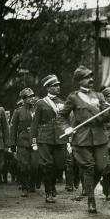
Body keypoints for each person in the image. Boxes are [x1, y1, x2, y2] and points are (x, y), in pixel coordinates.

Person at [58, 66, 110, 213]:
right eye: (86, 77)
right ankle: (91, 199)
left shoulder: (99, 96)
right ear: (79, 80)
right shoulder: (73, 97)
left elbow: (104, 117)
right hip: (82, 138)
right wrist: (66, 128)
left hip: (99, 137)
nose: (90, 80)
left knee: (102, 167)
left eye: (91, 77)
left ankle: (90, 189)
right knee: (89, 168)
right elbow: (61, 116)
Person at [31, 74, 69, 204]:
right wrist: (34, 141)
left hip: (60, 138)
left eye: (58, 85)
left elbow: (66, 121)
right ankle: (49, 191)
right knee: (47, 166)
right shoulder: (41, 103)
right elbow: (34, 124)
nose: (58, 87)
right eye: (54, 86)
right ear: (48, 88)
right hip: (45, 138)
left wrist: (69, 139)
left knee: (60, 165)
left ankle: (52, 185)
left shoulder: (63, 102)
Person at [9, 88, 39, 197]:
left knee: (35, 165)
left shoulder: (37, 109)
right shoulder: (18, 112)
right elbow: (13, 129)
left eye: (32, 96)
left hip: (36, 140)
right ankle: (25, 187)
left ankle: (32, 183)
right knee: (24, 166)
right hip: (23, 141)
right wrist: (12, 144)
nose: (31, 98)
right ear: (24, 99)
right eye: (29, 97)